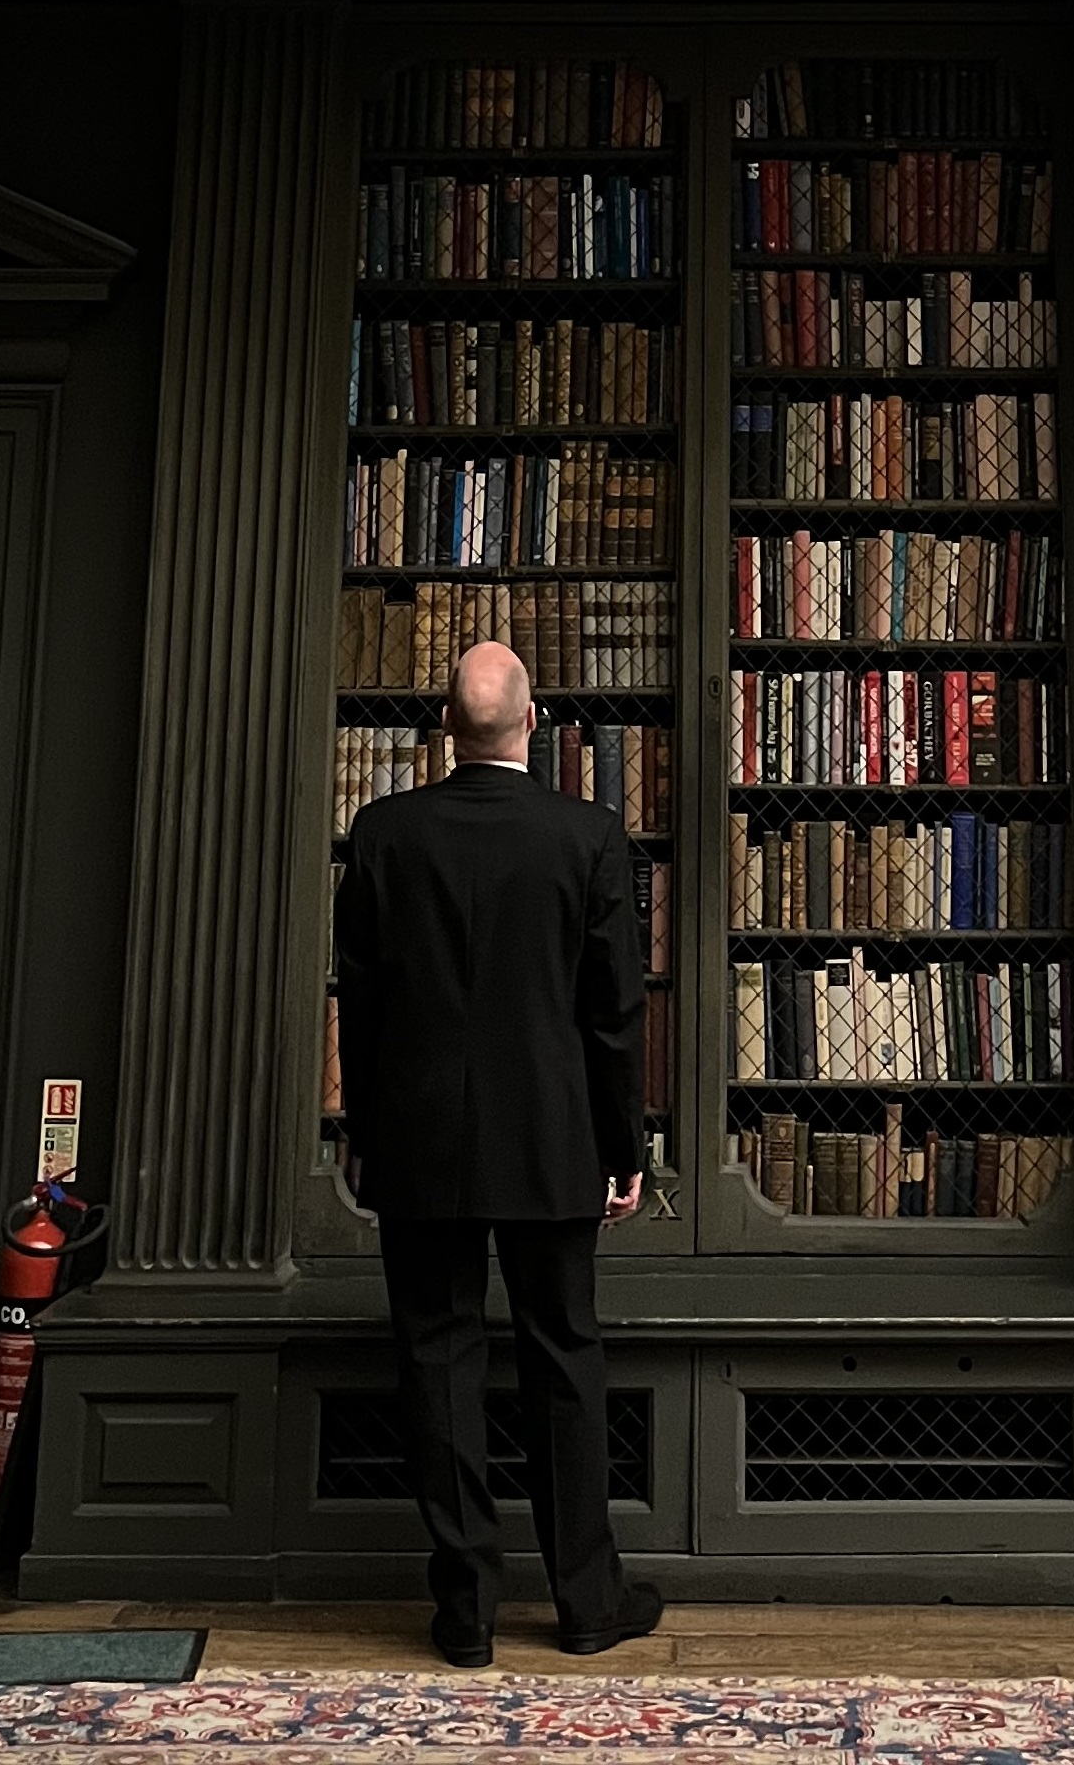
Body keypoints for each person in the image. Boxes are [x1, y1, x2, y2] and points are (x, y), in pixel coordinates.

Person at [335, 640, 660, 1665]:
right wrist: (624, 1144)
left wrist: (367, 1139)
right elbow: (611, 1013)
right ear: (534, 720)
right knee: (564, 1357)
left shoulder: (384, 833)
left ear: (445, 724)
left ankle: (464, 1608)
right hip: (554, 1140)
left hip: (420, 1143)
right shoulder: (589, 836)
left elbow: (365, 1008)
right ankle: (586, 1602)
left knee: (437, 1357)